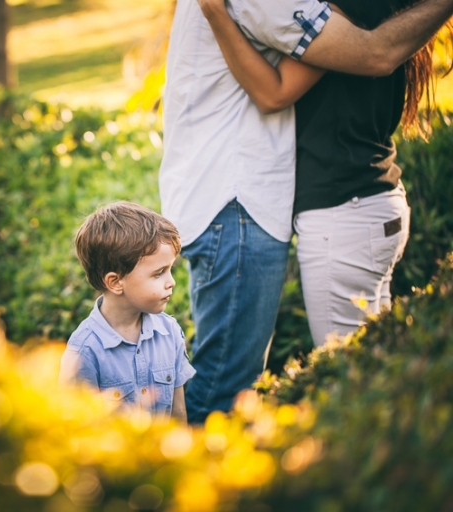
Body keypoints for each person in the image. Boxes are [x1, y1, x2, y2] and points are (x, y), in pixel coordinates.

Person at [160, 0, 453, 424]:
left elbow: (366, 58)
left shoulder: (336, 7)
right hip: (265, 201)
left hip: (335, 210)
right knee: (243, 386)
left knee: (349, 382)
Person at [58, 202, 196, 423]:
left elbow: (178, 412)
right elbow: (78, 430)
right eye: (158, 273)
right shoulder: (85, 351)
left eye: (170, 269)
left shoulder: (170, 332)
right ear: (115, 282)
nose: (171, 282)